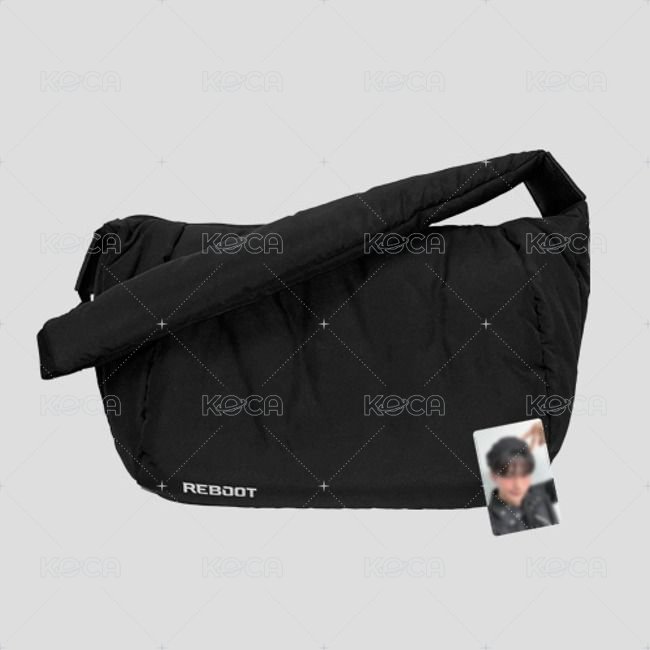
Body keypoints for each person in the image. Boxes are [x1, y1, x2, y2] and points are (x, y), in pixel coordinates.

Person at [486, 421, 558, 536]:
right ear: (494, 476)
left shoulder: (540, 493)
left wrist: (549, 430)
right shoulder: (491, 524)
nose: (518, 485)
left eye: (524, 474)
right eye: (509, 475)